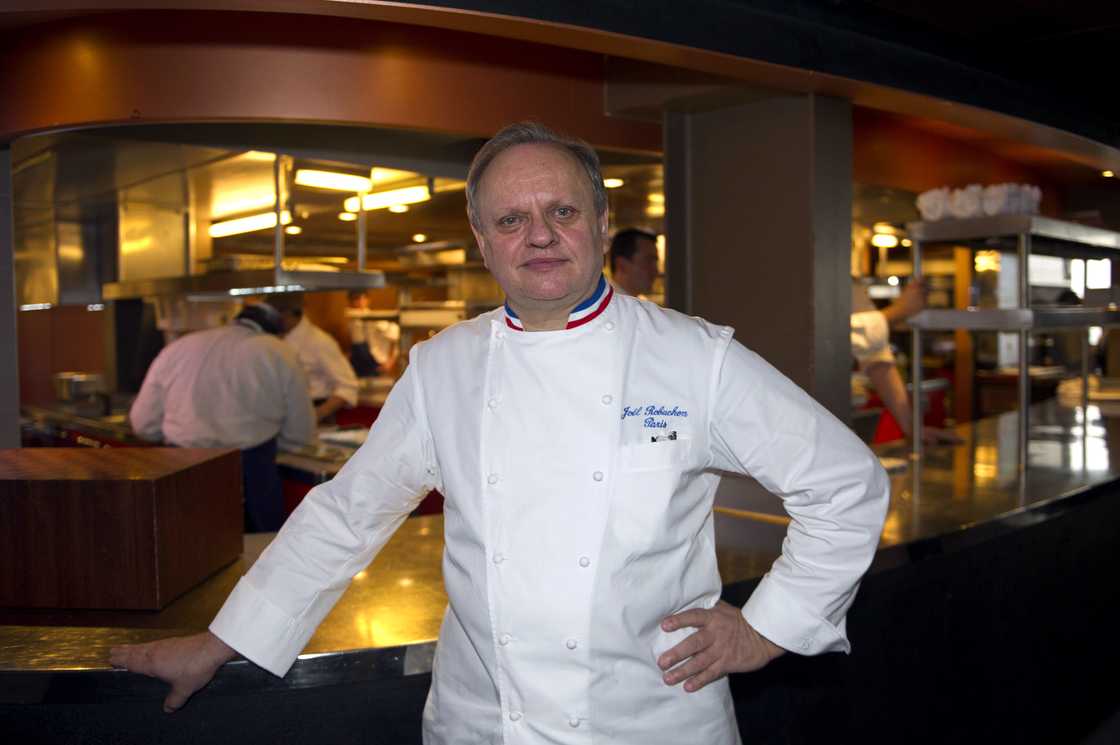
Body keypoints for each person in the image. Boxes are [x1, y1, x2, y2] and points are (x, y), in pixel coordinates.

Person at [112, 122, 889, 744]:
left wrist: (767, 627)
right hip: (483, 721)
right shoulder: (442, 367)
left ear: (601, 222)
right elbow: (347, 515)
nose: (540, 235)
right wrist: (221, 641)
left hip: (650, 720)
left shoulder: (695, 358)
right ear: (483, 240)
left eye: (563, 211)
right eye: (512, 219)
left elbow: (847, 484)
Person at [129, 301, 317, 532]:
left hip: (180, 465)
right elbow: (301, 431)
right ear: (275, 330)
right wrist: (286, 443)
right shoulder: (277, 350)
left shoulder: (180, 346)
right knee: (255, 552)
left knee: (184, 545)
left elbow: (142, 423)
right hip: (250, 469)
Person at [851, 279, 961, 444]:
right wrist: (900, 311)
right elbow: (830, 330)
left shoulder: (847, 273)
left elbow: (874, 352)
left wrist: (911, 428)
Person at [268, 293, 359, 422]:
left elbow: (348, 386)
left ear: (286, 313)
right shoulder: (274, 339)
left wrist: (317, 415)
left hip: (316, 411)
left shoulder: (319, 341)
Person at [608, 227, 659, 296]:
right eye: (648, 261)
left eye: (655, 262)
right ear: (621, 264)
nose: (656, 271)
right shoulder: (608, 304)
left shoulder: (637, 303)